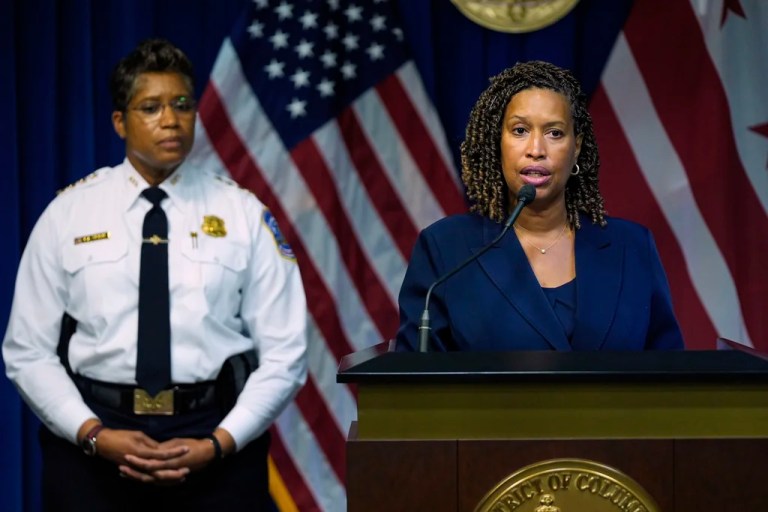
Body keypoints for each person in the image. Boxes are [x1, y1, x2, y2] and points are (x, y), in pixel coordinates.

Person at [3, 39, 307, 510]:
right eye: (151, 107)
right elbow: (26, 350)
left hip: (215, 439)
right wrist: (93, 435)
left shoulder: (243, 213)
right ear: (120, 122)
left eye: (182, 105)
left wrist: (221, 442)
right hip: (93, 445)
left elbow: (286, 352)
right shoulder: (69, 214)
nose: (170, 119)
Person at [397, 61, 684, 352]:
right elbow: (414, 385)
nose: (536, 149)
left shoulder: (632, 248)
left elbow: (670, 377)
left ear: (577, 147)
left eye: (555, 133)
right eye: (520, 130)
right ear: (498, 142)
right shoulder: (446, 250)